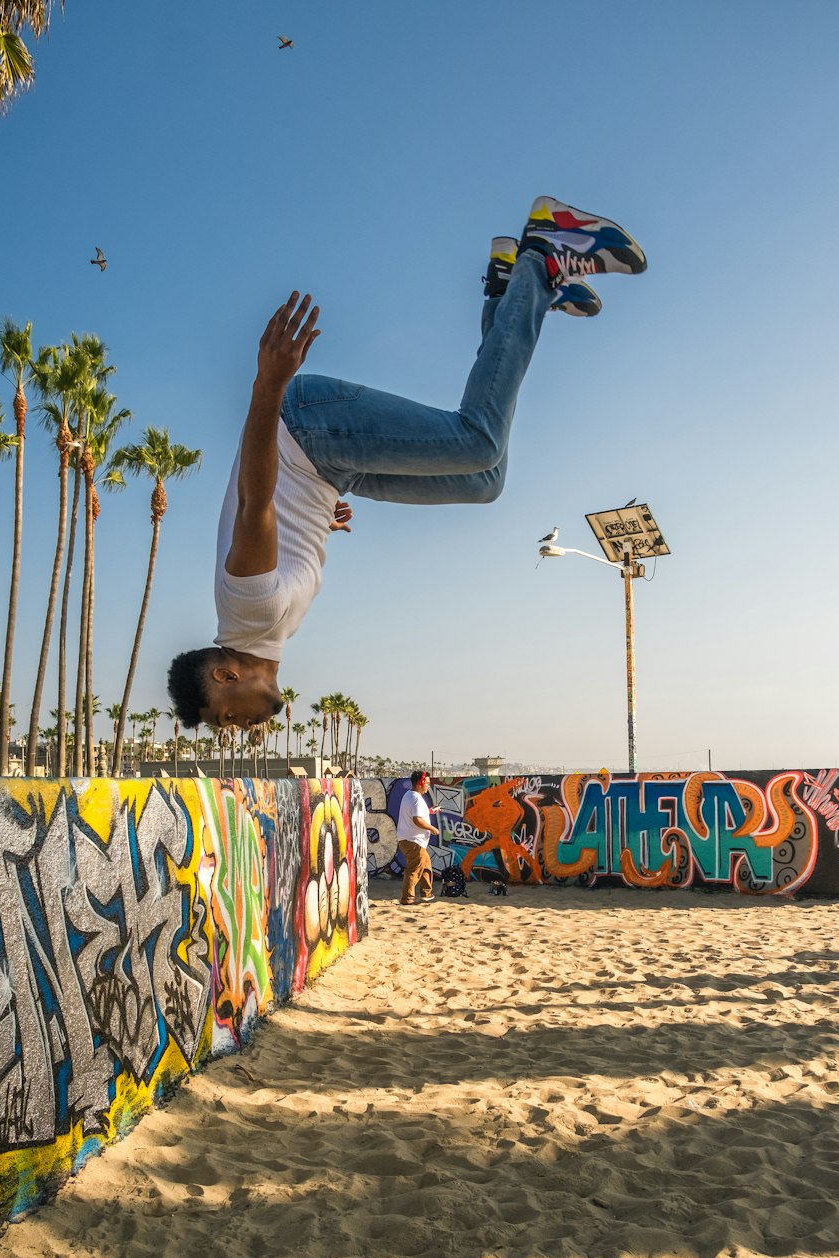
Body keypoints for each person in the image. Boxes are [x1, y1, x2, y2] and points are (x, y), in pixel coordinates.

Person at [168, 196, 647, 730]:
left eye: (224, 720)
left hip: (304, 429)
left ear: (225, 678)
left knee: (477, 445)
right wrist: (313, 512)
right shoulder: (263, 629)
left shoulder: (246, 614)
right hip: (324, 471)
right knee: (485, 481)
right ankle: (506, 291)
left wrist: (268, 385)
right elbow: (269, 514)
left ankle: (543, 255)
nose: (237, 728)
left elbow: (254, 507)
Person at [396, 769, 441, 905]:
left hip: (411, 840)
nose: (428, 785)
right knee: (414, 870)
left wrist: (431, 811)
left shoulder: (409, 795)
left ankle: (426, 893)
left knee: (426, 864)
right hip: (413, 841)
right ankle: (407, 898)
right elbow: (417, 819)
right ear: (420, 783)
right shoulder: (416, 799)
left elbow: (416, 814)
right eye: (427, 783)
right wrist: (432, 828)